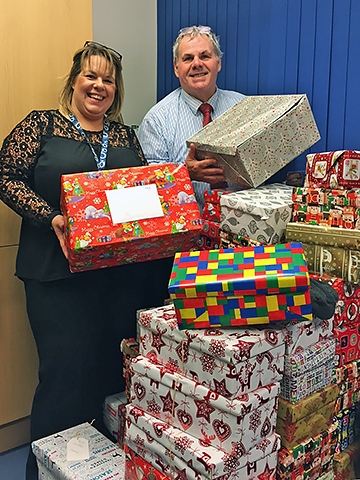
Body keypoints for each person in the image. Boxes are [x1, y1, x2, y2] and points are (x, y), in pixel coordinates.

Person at [0, 41, 173, 480]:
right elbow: (5, 175)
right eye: (91, 76)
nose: (99, 86)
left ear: (116, 90)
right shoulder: (41, 126)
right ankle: (45, 470)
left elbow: (142, 191)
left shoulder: (124, 135)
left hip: (117, 276)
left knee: (106, 371)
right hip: (55, 273)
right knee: (63, 374)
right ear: (74, 81)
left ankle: (94, 469)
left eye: (108, 80)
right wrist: (51, 216)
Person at [137, 25, 246, 211]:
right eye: (188, 58)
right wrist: (184, 173)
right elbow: (147, 188)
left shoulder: (244, 108)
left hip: (243, 229)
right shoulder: (156, 120)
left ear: (218, 63)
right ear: (176, 68)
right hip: (187, 233)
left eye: (205, 56)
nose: (197, 63)